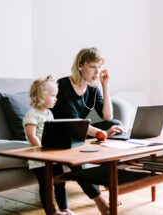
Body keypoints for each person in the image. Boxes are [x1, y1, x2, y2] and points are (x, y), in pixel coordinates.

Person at [51, 47, 125, 215]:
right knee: (79, 151)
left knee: (116, 124)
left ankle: (110, 185)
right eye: (93, 67)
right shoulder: (63, 85)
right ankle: (99, 201)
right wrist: (100, 133)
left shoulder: (92, 89)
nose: (97, 72)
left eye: (99, 67)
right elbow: (74, 123)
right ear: (80, 65)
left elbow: (107, 116)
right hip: (63, 132)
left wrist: (105, 86)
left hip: (79, 130)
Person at [22, 75, 75, 215]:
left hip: (51, 156)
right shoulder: (32, 114)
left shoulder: (49, 114)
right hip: (39, 158)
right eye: (53, 95)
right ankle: (51, 212)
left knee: (60, 182)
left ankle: (64, 208)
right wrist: (41, 150)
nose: (56, 98)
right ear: (41, 96)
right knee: (46, 185)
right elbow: (31, 134)